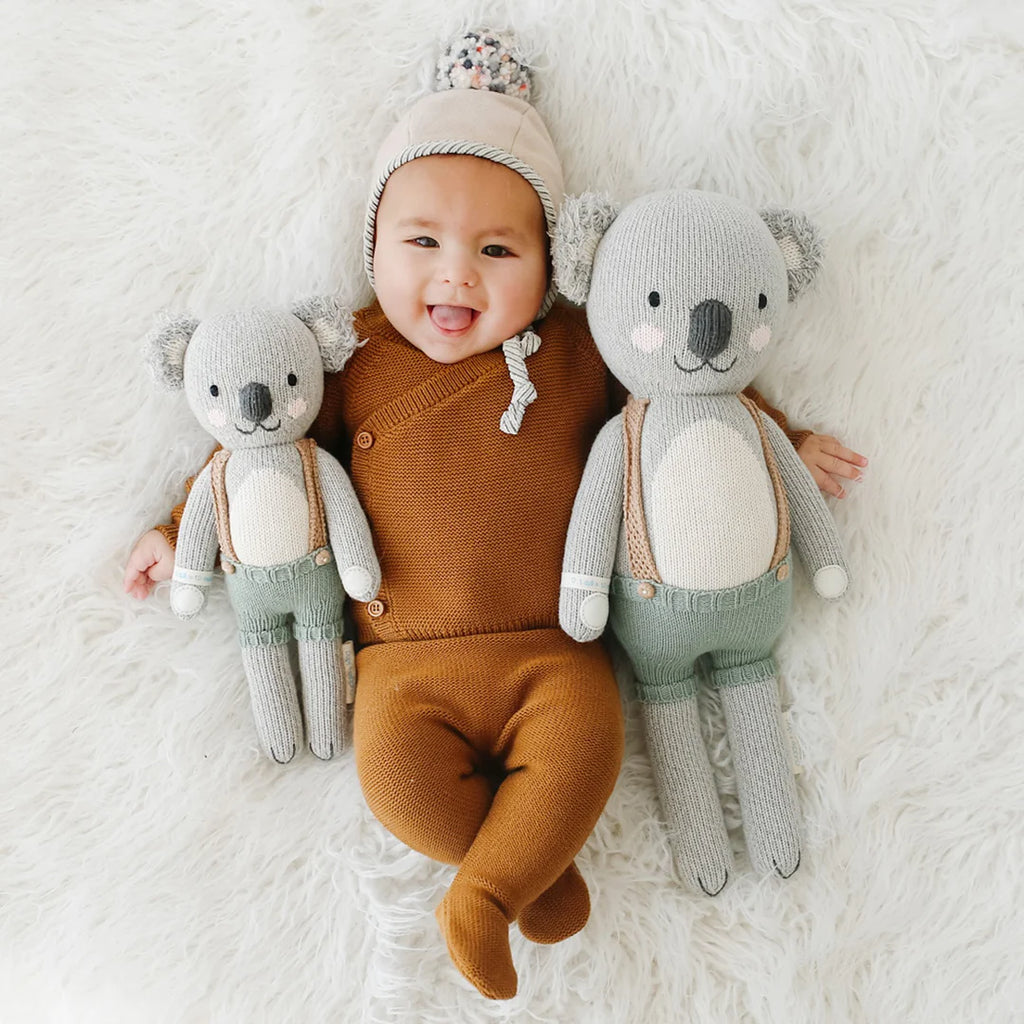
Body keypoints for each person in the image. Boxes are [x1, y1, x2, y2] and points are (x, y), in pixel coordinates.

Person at [123, 31, 866, 1000]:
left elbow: (687, 393)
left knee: (586, 752)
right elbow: (260, 452)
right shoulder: (353, 363)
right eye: (421, 242)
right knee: (399, 787)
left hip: (554, 649)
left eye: (497, 249)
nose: (455, 275)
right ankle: (517, 874)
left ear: (551, 262)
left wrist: (788, 439)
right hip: (403, 665)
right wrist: (177, 525)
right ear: (373, 247)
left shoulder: (577, 349)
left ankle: (481, 893)